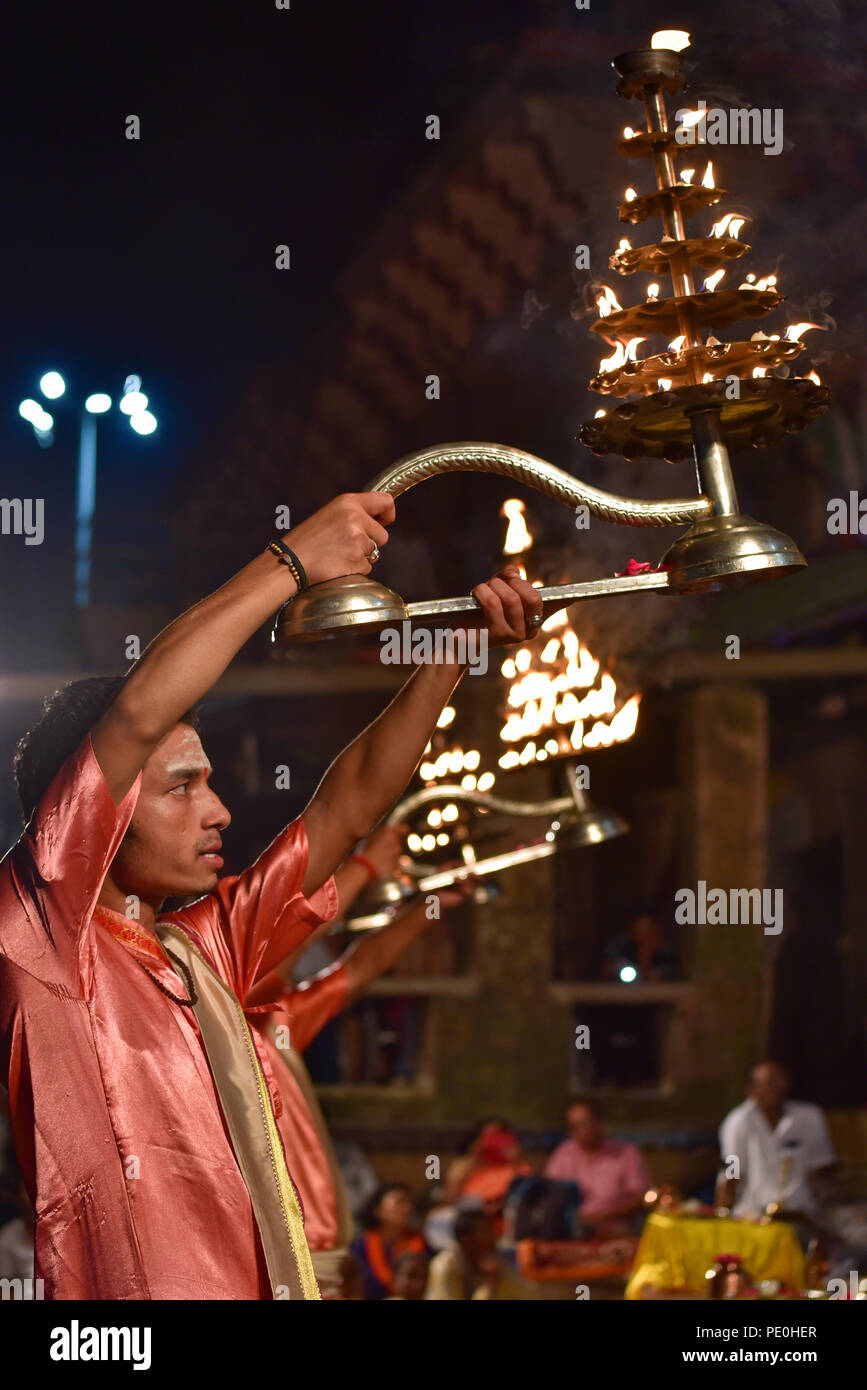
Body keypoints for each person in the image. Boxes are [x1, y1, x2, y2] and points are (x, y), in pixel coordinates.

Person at [0, 485, 544, 1301]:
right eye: (183, 788)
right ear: (94, 813)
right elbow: (141, 712)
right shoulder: (42, 926)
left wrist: (456, 650)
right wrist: (292, 562)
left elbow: (348, 803)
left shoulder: (200, 954)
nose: (218, 810)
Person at [244, 839, 473, 1296]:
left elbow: (361, 969)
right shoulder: (220, 1014)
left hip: (312, 1241)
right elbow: (279, 950)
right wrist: (365, 866)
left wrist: (430, 906)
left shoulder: (272, 1019)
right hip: (258, 1242)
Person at [716, 1061, 836, 1227]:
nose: (778, 1088)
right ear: (752, 1089)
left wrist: (825, 1218)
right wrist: (722, 1214)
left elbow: (820, 1170)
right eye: (770, 1082)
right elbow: (732, 1170)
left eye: (782, 1081)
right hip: (754, 1216)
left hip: (801, 1215)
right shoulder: (738, 1122)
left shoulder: (809, 1117)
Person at [544, 1100, 651, 1230]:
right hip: (571, 1232)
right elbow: (548, 1192)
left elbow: (640, 1198)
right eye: (576, 1126)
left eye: (588, 1122)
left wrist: (603, 1217)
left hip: (614, 1231)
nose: (584, 1130)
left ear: (600, 1122)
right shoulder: (563, 1154)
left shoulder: (626, 1153)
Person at [425, 1208, 524, 1300]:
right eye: (486, 1230)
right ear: (466, 1240)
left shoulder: (493, 1261)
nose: (493, 1235)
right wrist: (488, 1285)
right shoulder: (443, 1266)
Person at [351, 1183, 427, 1299]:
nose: (407, 1208)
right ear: (379, 1210)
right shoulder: (360, 1248)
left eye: (408, 1203)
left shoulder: (422, 1244)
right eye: (400, 1202)